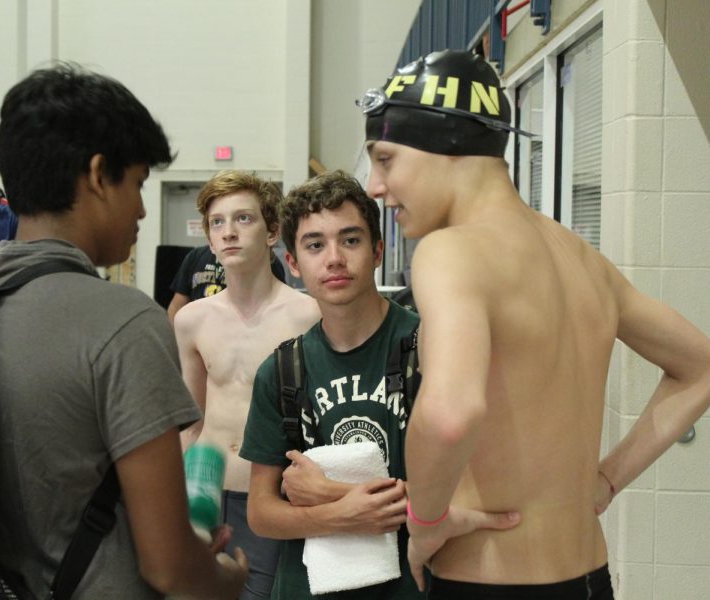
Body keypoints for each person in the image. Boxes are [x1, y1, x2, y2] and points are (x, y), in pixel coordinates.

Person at [363, 49, 710, 598]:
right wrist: (606, 479)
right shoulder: (581, 258)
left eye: (385, 159)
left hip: (490, 579)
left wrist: (425, 525)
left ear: (446, 146)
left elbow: (451, 413)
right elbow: (701, 367)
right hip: (590, 578)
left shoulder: (451, 252)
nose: (376, 187)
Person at [0, 63, 247, 599]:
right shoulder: (124, 323)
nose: (144, 208)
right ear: (99, 175)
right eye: (139, 183)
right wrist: (226, 580)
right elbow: (170, 566)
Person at [239, 170, 516, 599]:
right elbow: (261, 513)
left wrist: (330, 494)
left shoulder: (437, 348)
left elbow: (480, 490)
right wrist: (342, 514)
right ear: (292, 263)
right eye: (315, 245)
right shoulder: (281, 370)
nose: (334, 258)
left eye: (350, 240)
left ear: (378, 251)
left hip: (416, 584)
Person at [174, 170, 320, 599]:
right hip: (208, 491)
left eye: (244, 219)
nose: (229, 233)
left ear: (272, 231)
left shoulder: (307, 316)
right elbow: (191, 421)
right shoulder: (192, 320)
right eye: (217, 223)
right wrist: (182, 501)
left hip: (271, 493)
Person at [167, 243, 288, 323]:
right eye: (217, 222)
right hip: (200, 336)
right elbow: (176, 307)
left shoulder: (266, 262)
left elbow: (277, 309)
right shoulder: (195, 256)